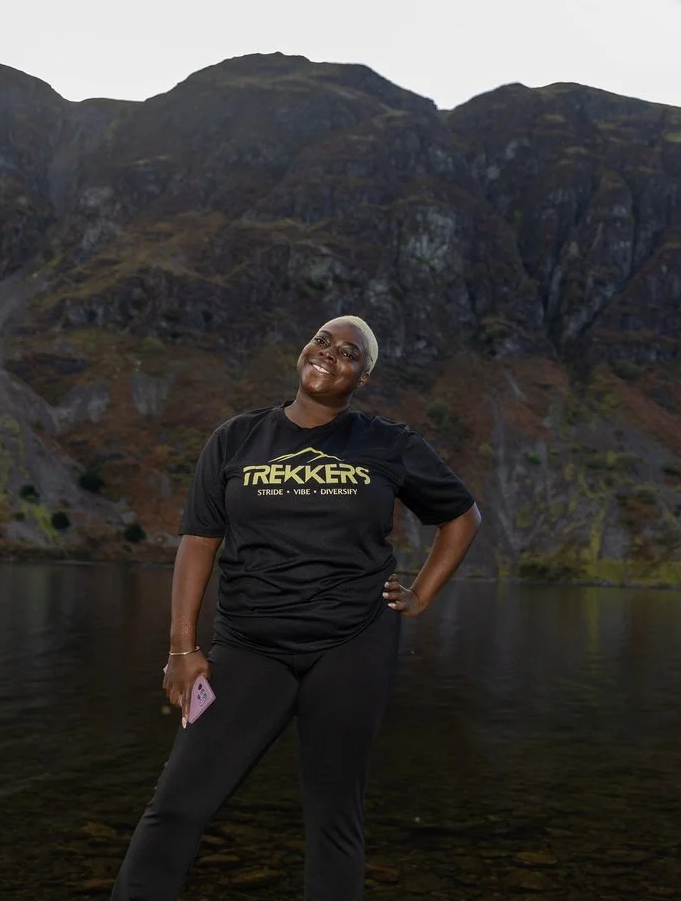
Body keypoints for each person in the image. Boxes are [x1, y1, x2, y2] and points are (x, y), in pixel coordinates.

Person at [111, 315, 482, 901]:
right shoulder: (235, 438)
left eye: (350, 354)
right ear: (305, 349)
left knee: (334, 816)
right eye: (322, 341)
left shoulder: (388, 444)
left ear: (363, 377)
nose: (330, 354)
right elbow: (199, 541)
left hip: (353, 645)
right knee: (178, 803)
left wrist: (420, 594)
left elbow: (461, 516)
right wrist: (182, 649)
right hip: (249, 646)